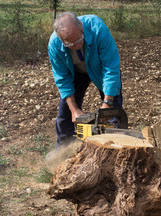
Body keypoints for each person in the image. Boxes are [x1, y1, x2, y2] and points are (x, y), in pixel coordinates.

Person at [48, 12, 123, 148]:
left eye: (78, 39)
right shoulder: (54, 44)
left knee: (113, 111)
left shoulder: (97, 28)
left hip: (101, 69)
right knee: (65, 114)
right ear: (61, 39)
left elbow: (111, 67)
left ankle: (116, 148)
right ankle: (63, 149)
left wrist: (107, 102)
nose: (76, 45)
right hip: (75, 72)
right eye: (70, 43)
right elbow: (62, 79)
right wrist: (74, 110)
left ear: (81, 27)